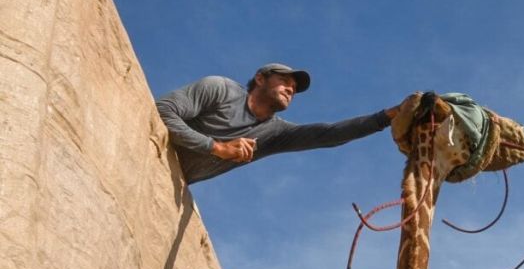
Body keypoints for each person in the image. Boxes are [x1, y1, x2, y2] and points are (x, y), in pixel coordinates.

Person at [156, 63, 402, 184]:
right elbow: (162, 111)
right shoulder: (220, 89)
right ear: (260, 78)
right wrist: (217, 147)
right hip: (147, 152)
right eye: (284, 81)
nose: (290, 90)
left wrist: (388, 116)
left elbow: (328, 134)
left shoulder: (274, 133)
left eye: (294, 89)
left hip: (171, 184)